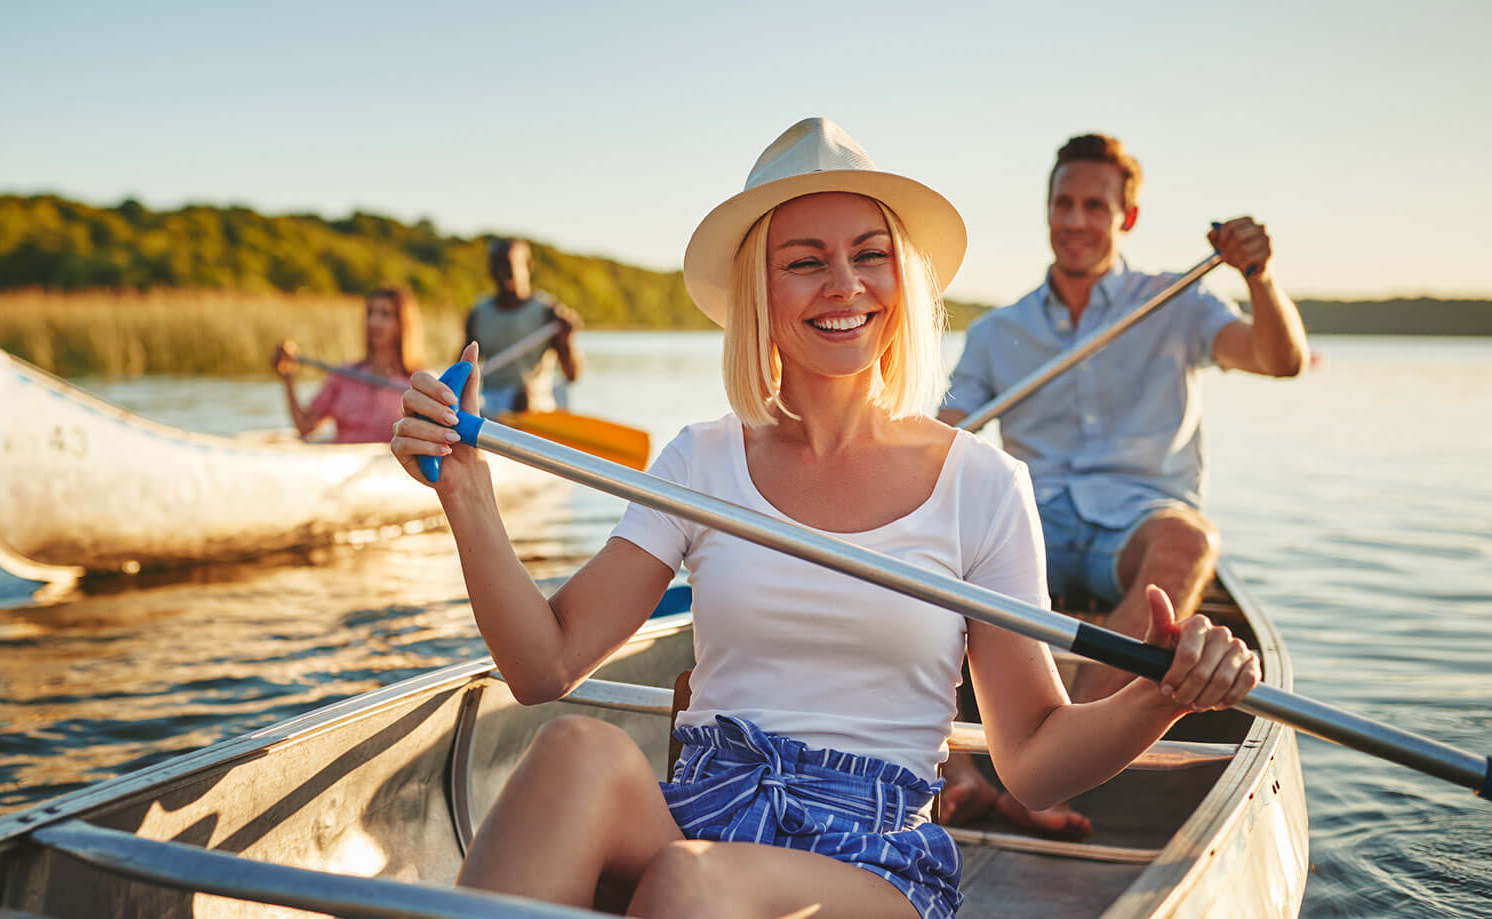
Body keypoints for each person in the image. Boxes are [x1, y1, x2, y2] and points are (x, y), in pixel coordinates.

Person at [391, 118, 1261, 919]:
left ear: (902, 276)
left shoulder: (984, 483)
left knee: (694, 881)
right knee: (576, 748)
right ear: (760, 290)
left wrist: (1159, 700)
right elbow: (544, 665)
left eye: (868, 254)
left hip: (871, 858)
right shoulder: (701, 460)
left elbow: (1031, 757)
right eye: (805, 260)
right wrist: (466, 491)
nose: (843, 285)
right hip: (706, 806)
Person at [934, 134, 1307, 834]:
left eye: (1095, 206)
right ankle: (956, 771)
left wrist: (1258, 276)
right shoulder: (998, 331)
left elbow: (1278, 359)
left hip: (1136, 524)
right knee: (935, 533)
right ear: (1048, 211)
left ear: (1125, 218)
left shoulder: (1176, 303)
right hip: (1033, 520)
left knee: (1191, 540)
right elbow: (944, 438)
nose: (1076, 220)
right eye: (1064, 203)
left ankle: (1052, 759)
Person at [272, 286, 425, 443]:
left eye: (385, 314)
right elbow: (305, 426)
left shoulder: (421, 382)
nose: (373, 321)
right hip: (341, 463)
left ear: (403, 323)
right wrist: (288, 377)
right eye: (370, 313)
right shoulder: (343, 374)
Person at [465, 237, 583, 415]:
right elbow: (462, 369)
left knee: (523, 398)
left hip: (536, 403)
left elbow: (572, 375)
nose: (501, 271)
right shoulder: (478, 314)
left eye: (508, 264)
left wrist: (567, 340)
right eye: (495, 264)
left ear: (527, 266)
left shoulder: (548, 312)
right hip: (490, 402)